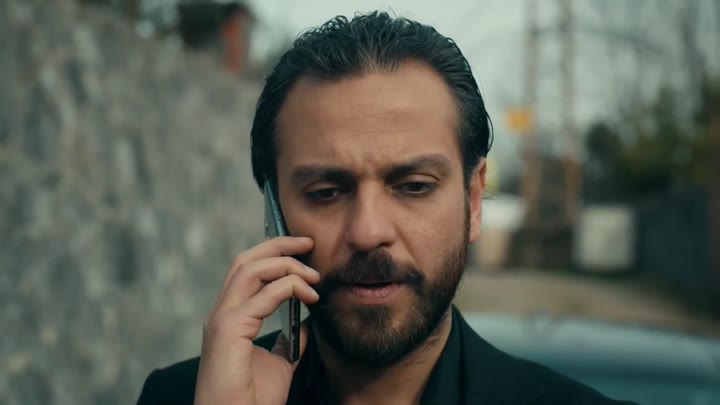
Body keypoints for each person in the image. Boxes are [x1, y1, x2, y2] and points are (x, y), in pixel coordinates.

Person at [136, 11, 635, 405]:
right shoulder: (182, 397)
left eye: (414, 186)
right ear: (273, 211)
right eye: (326, 192)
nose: (369, 231)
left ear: (473, 199)